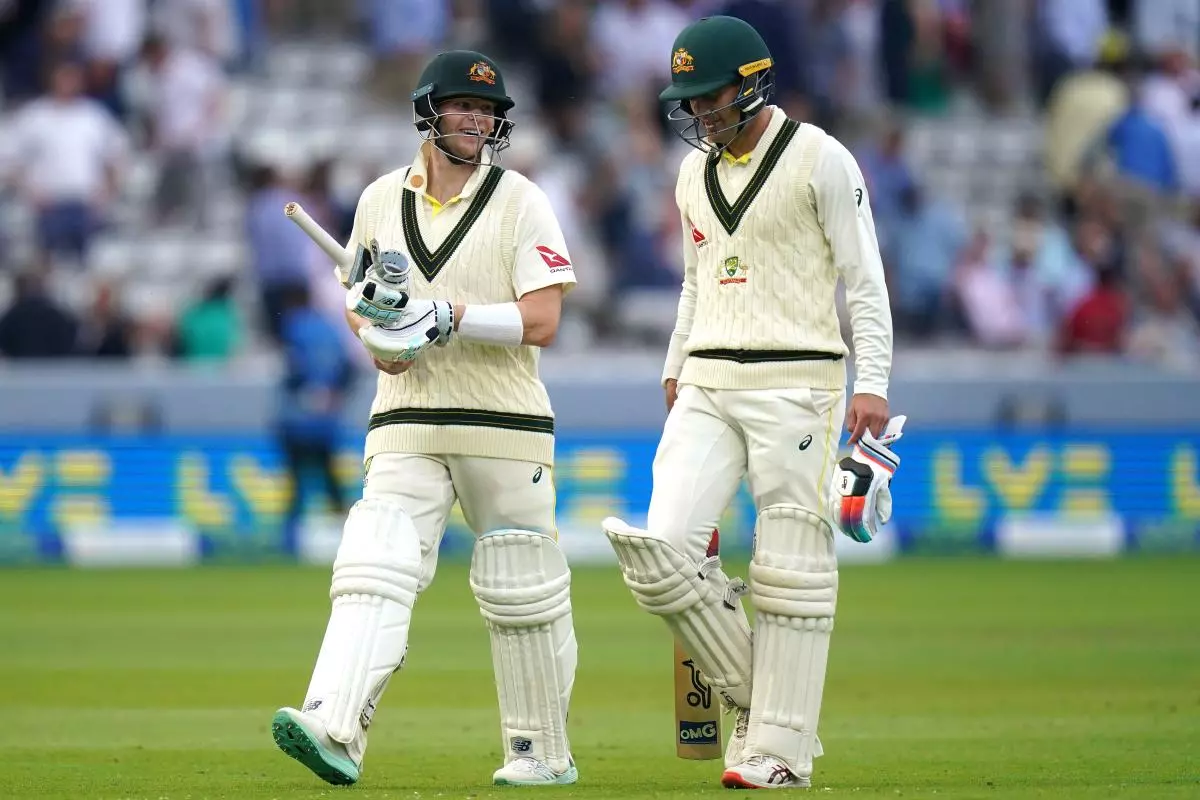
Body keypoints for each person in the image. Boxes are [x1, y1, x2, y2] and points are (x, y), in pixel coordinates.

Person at [601, 16, 897, 790]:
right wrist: (675, 365)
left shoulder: (821, 158)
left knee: (790, 571)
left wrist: (874, 383)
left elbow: (864, 279)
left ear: (754, 81)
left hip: (799, 381)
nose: (699, 111)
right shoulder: (691, 174)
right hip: (706, 379)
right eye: (689, 98)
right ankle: (771, 709)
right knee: (659, 556)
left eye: (711, 94)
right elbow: (697, 280)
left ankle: (779, 751)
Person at [271, 49, 580, 788]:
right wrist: (385, 338)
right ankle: (334, 724)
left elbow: (543, 319)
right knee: (373, 560)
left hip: (503, 422)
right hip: (406, 417)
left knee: (522, 589)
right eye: (463, 108)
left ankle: (541, 752)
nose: (477, 121)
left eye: (488, 112)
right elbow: (366, 313)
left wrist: (446, 314)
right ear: (428, 113)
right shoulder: (380, 199)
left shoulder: (521, 200)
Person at [276, 283, 355, 544]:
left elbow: (293, 369)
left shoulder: (294, 326)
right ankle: (350, 538)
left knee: (297, 482)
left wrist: (305, 390)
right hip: (326, 423)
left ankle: (290, 540)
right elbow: (348, 369)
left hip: (296, 419)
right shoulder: (331, 329)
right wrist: (333, 394)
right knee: (332, 482)